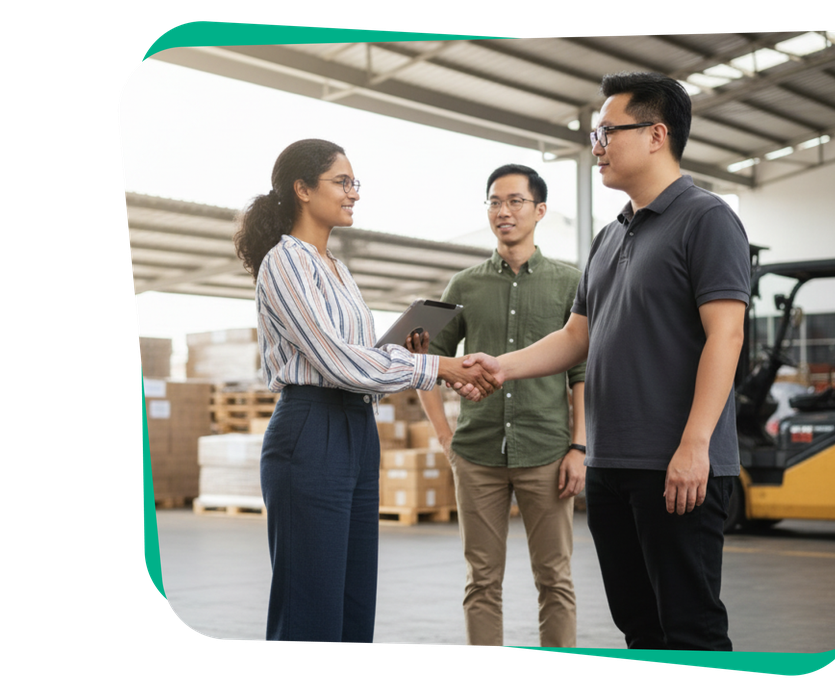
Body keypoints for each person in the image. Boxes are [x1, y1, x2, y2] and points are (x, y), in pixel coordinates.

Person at [461, 73, 750, 651]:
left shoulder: (706, 218)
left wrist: (695, 446)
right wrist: (501, 367)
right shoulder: (609, 237)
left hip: (677, 467)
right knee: (638, 628)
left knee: (689, 629)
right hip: (613, 465)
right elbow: (576, 336)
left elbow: (728, 335)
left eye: (607, 131)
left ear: (656, 135)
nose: (597, 146)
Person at [233, 139, 498, 644]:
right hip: (311, 429)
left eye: (356, 183)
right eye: (343, 181)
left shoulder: (338, 269)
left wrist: (406, 350)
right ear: (303, 190)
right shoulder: (285, 263)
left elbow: (361, 359)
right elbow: (337, 361)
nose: (354, 193)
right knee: (311, 605)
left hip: (356, 429)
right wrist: (434, 365)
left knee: (354, 602)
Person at [407, 164, 585, 647]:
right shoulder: (463, 286)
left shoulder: (570, 283)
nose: (502, 211)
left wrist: (579, 447)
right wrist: (446, 439)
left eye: (514, 201)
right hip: (478, 453)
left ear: (539, 210)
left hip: (547, 452)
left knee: (555, 580)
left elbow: (580, 374)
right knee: (481, 581)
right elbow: (426, 363)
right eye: (493, 202)